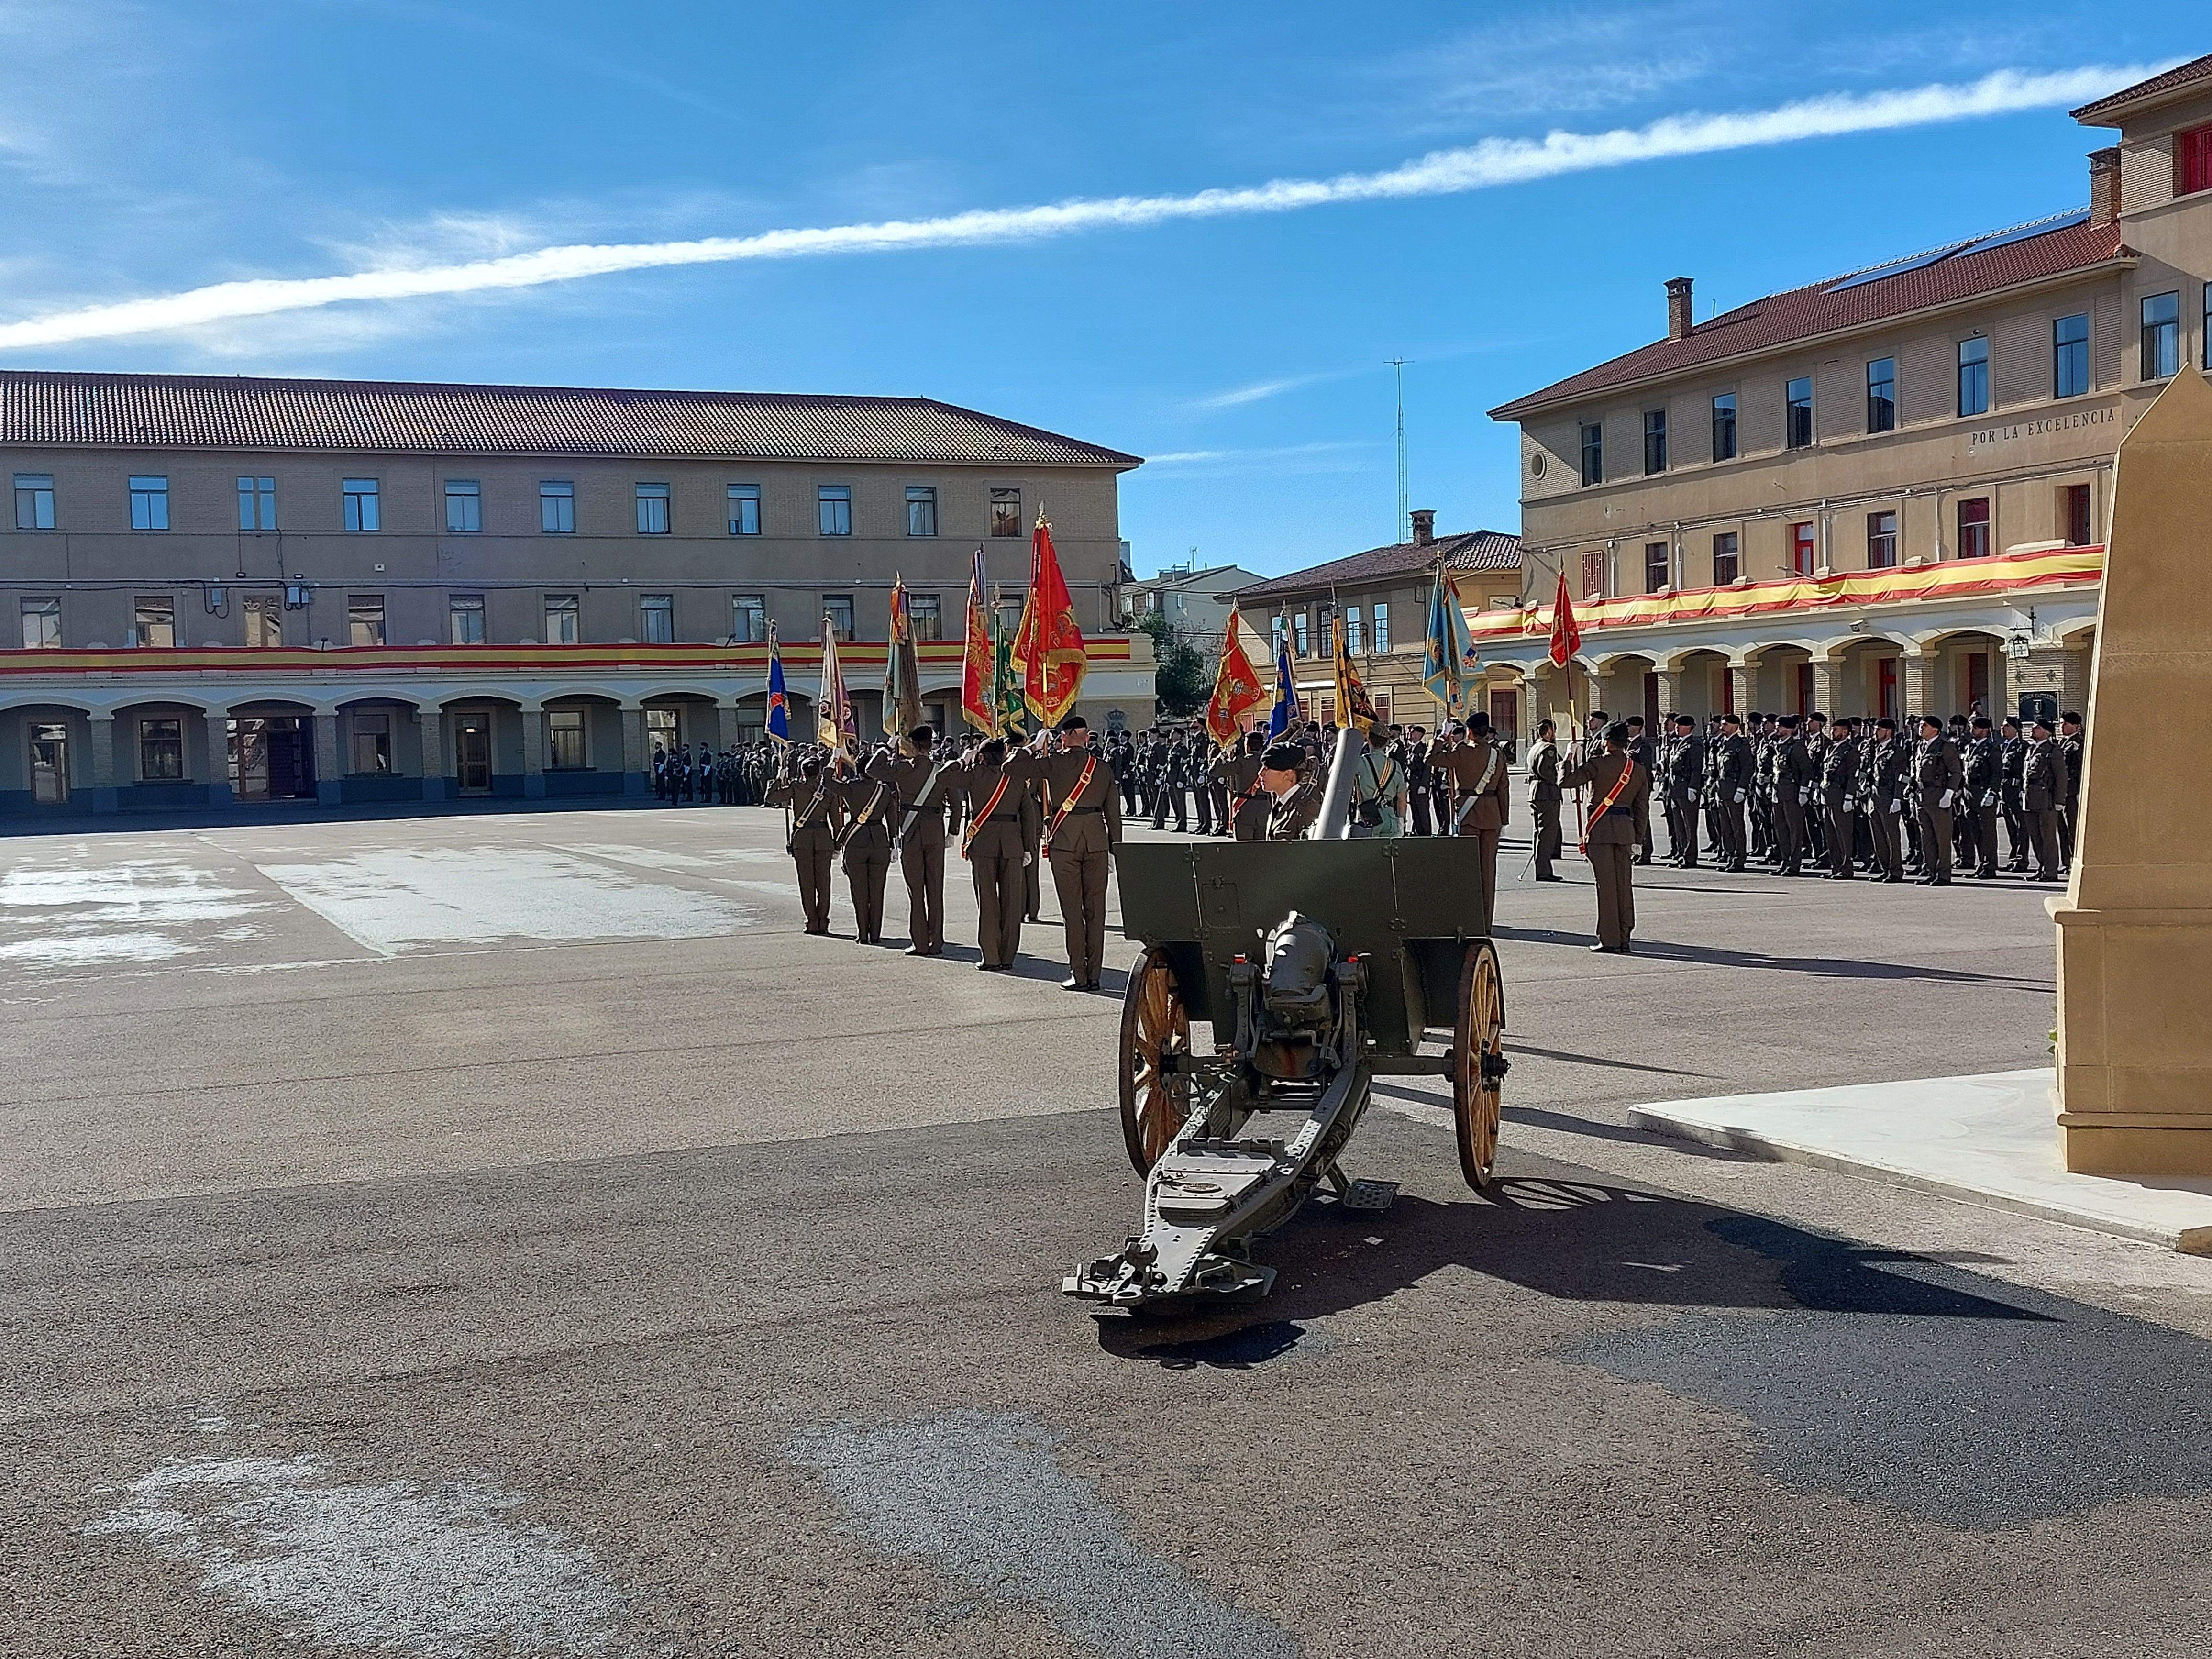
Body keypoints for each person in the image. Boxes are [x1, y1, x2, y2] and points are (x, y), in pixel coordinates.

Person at [1006, 715, 1122, 992]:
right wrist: (1115, 849)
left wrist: (1034, 746)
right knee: (1096, 912)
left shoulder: (1054, 762)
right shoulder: (1102, 768)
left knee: (1072, 911)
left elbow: (1011, 768)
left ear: (1065, 737)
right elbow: (1114, 814)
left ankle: (1078, 974)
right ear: (1087, 737)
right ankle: (1094, 975)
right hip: (1096, 841)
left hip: (1065, 840)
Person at [1560, 720, 1650, 953]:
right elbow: (1642, 809)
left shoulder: (1597, 764)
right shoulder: (1637, 769)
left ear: (1607, 742)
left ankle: (1609, 939)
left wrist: (1569, 757)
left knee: (1606, 887)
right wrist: (1638, 840)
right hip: (1626, 832)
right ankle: (1625, 936)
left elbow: (1566, 782)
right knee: (1624, 886)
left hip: (1600, 830)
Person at [870, 724, 957, 956]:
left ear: (913, 746)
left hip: (911, 833)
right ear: (931, 745)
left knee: (916, 891)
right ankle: (936, 942)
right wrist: (953, 832)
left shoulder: (903, 769)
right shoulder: (941, 770)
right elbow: (957, 805)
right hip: (935, 833)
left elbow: (872, 769)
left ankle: (920, 943)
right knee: (936, 889)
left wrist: (887, 748)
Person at [952, 738, 1028, 970]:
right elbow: (1028, 813)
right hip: (1012, 843)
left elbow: (943, 777)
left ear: (982, 757)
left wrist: (962, 760)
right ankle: (1008, 956)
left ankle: (991, 956)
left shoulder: (975, 775)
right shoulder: (1015, 777)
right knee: (1012, 902)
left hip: (984, 842)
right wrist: (1028, 847)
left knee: (987, 901)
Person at [1439, 712, 1510, 934]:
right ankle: (1486, 923)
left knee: (1468, 871)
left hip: (1468, 815)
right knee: (1488, 872)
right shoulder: (1497, 754)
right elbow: (1504, 788)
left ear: (1469, 732)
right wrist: (1503, 819)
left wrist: (1443, 737)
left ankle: (1469, 921)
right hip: (1492, 816)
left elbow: (1432, 759)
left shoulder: (1461, 752)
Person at [764, 754, 846, 935]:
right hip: (824, 839)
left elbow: (771, 798)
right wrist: (837, 845)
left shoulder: (796, 787)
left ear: (803, 773)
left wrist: (778, 778)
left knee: (806, 883)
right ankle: (824, 922)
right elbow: (837, 822)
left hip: (802, 839)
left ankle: (812, 922)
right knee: (824, 883)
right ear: (819, 773)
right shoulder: (828, 791)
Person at [1911, 714, 1963, 885]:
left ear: (1935, 729)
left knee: (1942, 838)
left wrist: (1949, 794)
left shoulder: (1945, 747)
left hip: (1939, 796)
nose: (1921, 728)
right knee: (1927, 838)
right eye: (1920, 725)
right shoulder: (1920, 746)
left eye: (1924, 725)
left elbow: (1956, 772)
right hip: (1922, 797)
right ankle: (1931, 871)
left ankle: (1944, 875)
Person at [2022, 715, 2067, 882]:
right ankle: (2042, 867)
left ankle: (2051, 871)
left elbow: (2061, 777)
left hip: (2046, 799)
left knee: (2048, 838)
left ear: (2047, 732)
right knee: (2035, 836)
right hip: (2030, 798)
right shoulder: (2031, 749)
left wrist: (2059, 801)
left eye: (2038, 728)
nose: (2034, 730)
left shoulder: (2053, 751)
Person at [1961, 716, 2003, 879]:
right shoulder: (1970, 747)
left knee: (1988, 833)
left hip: (1984, 792)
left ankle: (1990, 866)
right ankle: (1982, 864)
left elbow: (1997, 773)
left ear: (1985, 730)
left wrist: (1992, 792)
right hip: (1970, 794)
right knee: (1976, 833)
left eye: (1975, 728)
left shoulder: (1992, 749)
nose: (1972, 730)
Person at [1818, 717, 1859, 879]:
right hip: (1828, 795)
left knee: (1843, 834)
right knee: (1831, 835)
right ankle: (1836, 866)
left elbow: (1853, 776)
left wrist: (1849, 797)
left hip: (1841, 796)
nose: (1832, 732)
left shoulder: (1850, 750)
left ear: (1845, 731)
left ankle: (1846, 868)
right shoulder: (1831, 749)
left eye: (1835, 730)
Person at [1349, 726, 1408, 838]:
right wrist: (1401, 822)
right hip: (1390, 819)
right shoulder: (1395, 765)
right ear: (1387, 743)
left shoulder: (1360, 763)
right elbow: (1402, 798)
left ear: (1369, 740)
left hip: (1367, 818)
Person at [1526, 719, 1566, 881]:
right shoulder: (1548, 749)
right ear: (1549, 732)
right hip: (1547, 793)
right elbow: (1546, 770)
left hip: (1537, 793)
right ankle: (1543, 871)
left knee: (1540, 832)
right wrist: (1561, 777)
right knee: (1547, 834)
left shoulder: (1536, 747)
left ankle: (1542, 868)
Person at [1663, 713, 1703, 869]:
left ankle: (1690, 857)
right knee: (1678, 825)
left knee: (1689, 825)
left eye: (1680, 726)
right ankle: (1681, 854)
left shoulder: (1694, 745)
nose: (1677, 728)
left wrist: (1693, 788)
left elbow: (1696, 769)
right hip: (1675, 790)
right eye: (1676, 726)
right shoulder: (1677, 744)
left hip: (1687, 788)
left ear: (1689, 728)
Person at [1260, 742, 1322, 840]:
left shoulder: (1307, 809)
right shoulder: (1280, 804)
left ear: (1288, 775)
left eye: (1267, 769)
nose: (1261, 773)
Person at [1225, 731, 1271, 841]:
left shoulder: (1241, 762)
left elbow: (1214, 771)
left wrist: (1225, 754)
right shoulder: (1269, 763)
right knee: (1262, 847)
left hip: (1245, 810)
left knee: (1245, 848)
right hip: (1264, 809)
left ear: (1248, 746)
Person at [1625, 716, 1656, 865]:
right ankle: (1635, 851)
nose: (1627, 729)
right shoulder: (1626, 744)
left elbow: (1646, 771)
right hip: (1628, 789)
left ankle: (1646, 852)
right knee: (1632, 821)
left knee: (1642, 821)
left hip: (1640, 790)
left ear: (1638, 728)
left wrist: (1646, 790)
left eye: (1629, 726)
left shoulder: (1643, 746)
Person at [2057, 711, 2085, 872]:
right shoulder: (2062, 743)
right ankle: (2066, 862)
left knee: (2072, 829)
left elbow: (2079, 770)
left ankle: (2075, 862)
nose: (2062, 727)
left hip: (2072, 793)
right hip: (2061, 794)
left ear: (2076, 726)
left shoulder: (2079, 744)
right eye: (2061, 724)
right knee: (2062, 830)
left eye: (2065, 724)